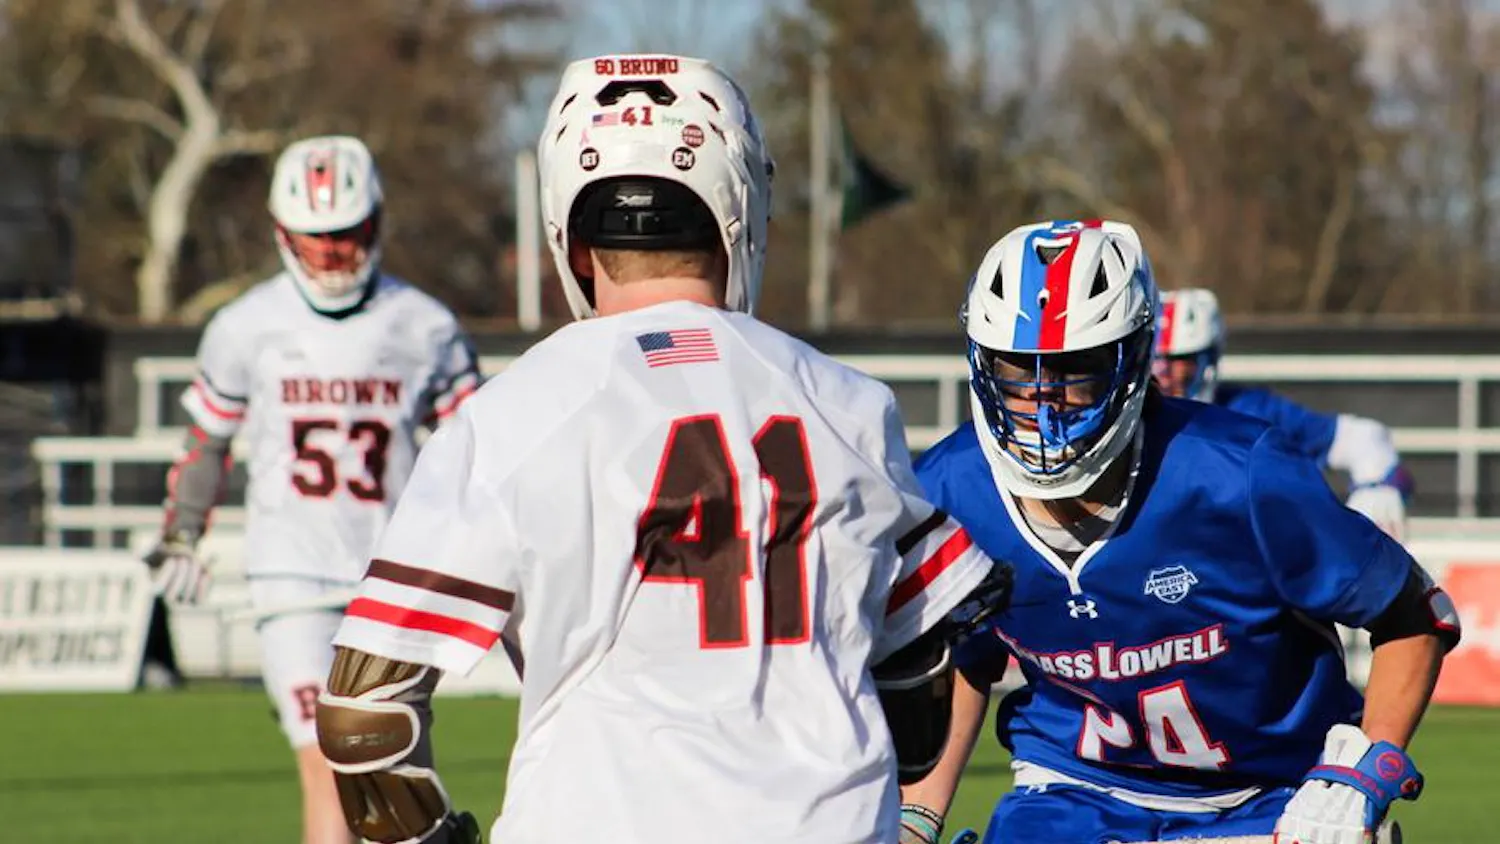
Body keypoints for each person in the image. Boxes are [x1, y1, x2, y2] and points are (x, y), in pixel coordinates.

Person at [312, 53, 1009, 844]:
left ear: (573, 239)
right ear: (739, 210)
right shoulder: (845, 402)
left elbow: (365, 716)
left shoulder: (511, 415)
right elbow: (918, 666)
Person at [900, 219, 1461, 844]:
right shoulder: (952, 486)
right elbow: (965, 658)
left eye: (1074, 370)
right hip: (1074, 791)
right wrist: (916, 817)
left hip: (1272, 792)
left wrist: (1363, 771)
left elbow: (1414, 615)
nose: (1045, 403)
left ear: (1134, 361)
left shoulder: (1238, 473)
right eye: (1017, 371)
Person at [142, 134, 482, 844]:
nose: (331, 254)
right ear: (282, 234)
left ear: (376, 224)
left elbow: (477, 455)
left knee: (395, 772)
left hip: (394, 575)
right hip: (291, 574)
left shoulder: (426, 327)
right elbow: (207, 443)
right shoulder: (245, 327)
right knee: (333, 759)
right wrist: (182, 528)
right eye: (315, 239)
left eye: (345, 235)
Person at [1153, 287, 1413, 540]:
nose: (1161, 376)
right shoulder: (1124, 422)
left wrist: (1378, 488)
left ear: (1208, 361)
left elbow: (1363, 438)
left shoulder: (1249, 412)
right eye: (1153, 360)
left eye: (1179, 361)